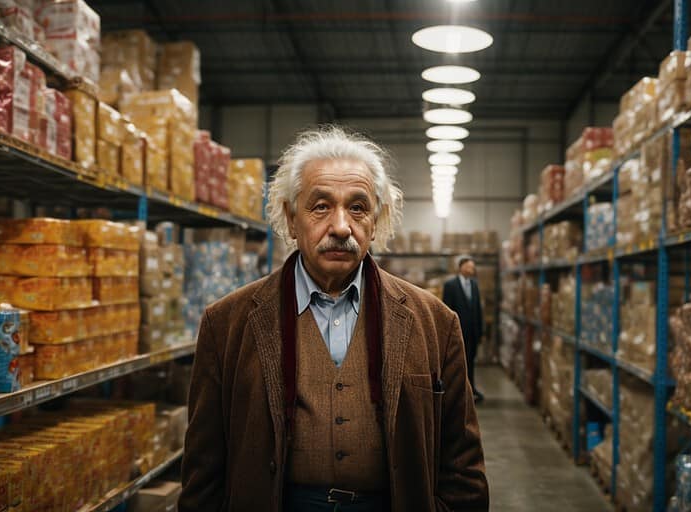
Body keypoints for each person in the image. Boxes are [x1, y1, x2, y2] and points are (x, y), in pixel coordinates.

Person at [179, 126, 488, 512]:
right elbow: (202, 475)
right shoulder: (226, 324)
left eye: (358, 207)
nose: (341, 227)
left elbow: (463, 472)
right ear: (291, 220)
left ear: (375, 222)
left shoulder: (436, 324)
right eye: (320, 206)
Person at [442, 256, 484, 403]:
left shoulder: (474, 285)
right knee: (459, 362)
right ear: (461, 267)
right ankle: (459, 391)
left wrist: (480, 332)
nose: (471, 269)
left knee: (471, 361)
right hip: (458, 331)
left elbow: (478, 309)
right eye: (469, 266)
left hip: (472, 332)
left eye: (473, 267)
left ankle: (471, 388)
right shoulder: (450, 285)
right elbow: (446, 310)